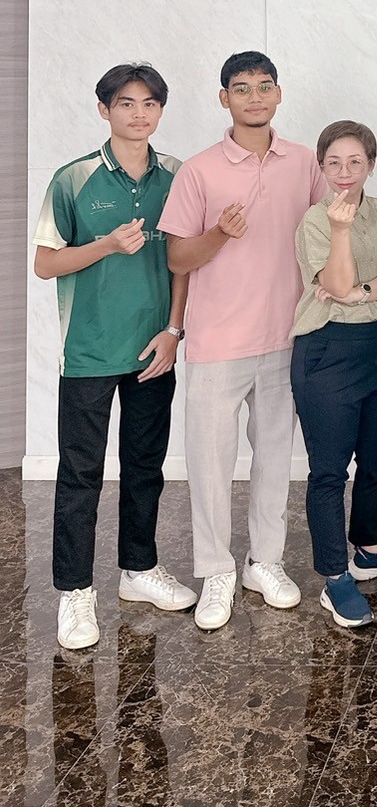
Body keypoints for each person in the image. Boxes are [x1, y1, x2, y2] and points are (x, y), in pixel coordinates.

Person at [158, 51, 326, 630]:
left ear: (278, 94)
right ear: (223, 98)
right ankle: (216, 571)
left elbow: (328, 233)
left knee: (275, 457)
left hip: (286, 337)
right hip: (217, 341)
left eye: (264, 86)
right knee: (210, 463)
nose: (255, 97)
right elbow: (178, 257)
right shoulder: (199, 170)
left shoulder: (306, 163)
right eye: (242, 87)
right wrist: (219, 235)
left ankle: (265, 561)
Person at [33, 63, 196, 650]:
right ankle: (75, 592)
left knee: (145, 465)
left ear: (160, 110)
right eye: (126, 103)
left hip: (153, 346)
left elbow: (182, 262)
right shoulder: (73, 179)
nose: (139, 114)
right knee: (80, 473)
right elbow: (45, 263)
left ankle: (138, 569)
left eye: (150, 103)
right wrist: (104, 245)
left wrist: (174, 330)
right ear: (105, 110)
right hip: (89, 351)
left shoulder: (178, 175)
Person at [291, 119, 377, 628]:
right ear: (321, 166)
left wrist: (361, 292)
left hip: (373, 346)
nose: (344, 172)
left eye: (355, 162)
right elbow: (335, 280)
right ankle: (335, 576)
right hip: (325, 349)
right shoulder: (316, 221)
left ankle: (370, 550)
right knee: (329, 471)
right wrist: (341, 233)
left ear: (371, 164)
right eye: (333, 163)